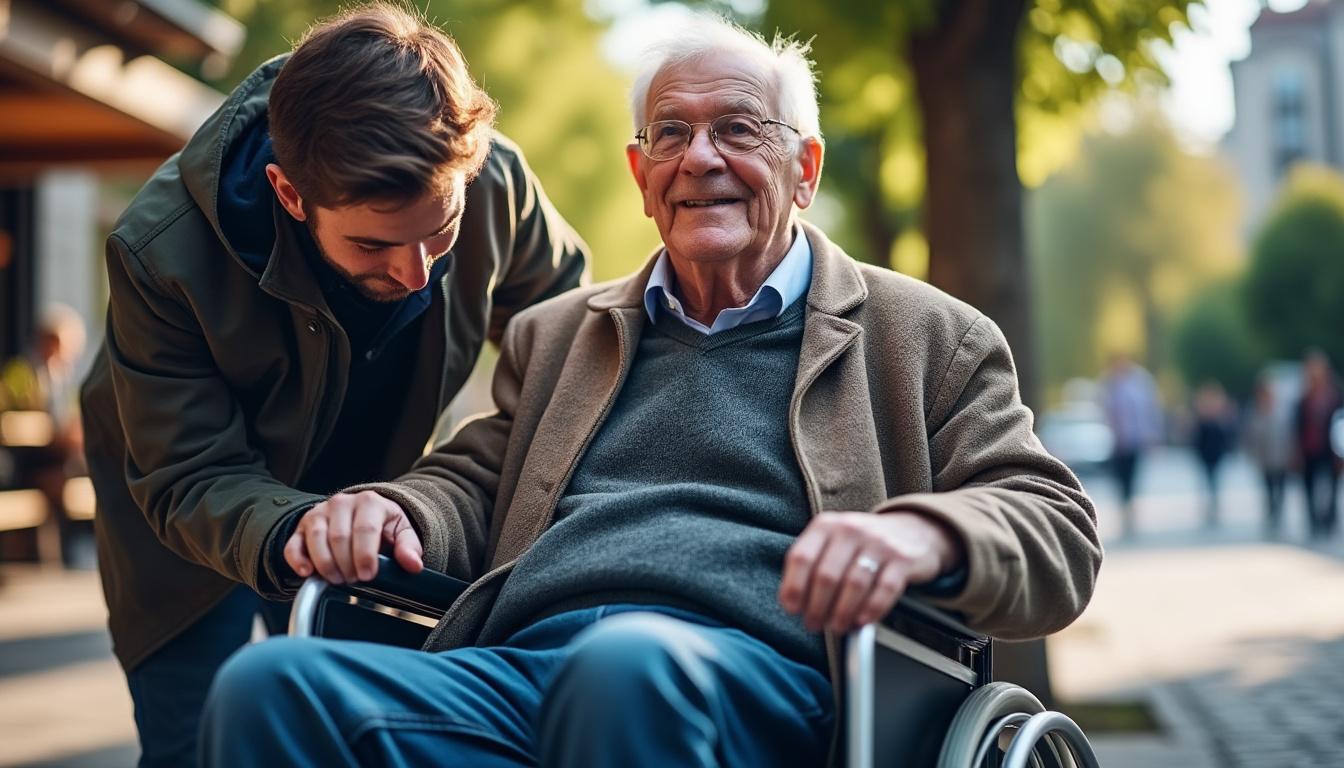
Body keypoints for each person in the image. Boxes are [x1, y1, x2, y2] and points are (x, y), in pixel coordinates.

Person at [201, 16, 1101, 767]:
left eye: (740, 129)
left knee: (624, 669)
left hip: (764, 687)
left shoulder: (926, 338)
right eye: (670, 133)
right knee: (266, 687)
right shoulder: (557, 335)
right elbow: (473, 483)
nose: (699, 157)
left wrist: (920, 531)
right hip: (519, 671)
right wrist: (390, 512)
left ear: (806, 170)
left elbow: (1055, 530)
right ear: (641, 178)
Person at [78, 4, 587, 765]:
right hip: (186, 527)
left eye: (440, 230)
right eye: (375, 243)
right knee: (203, 740)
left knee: (365, 732)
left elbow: (576, 352)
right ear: (289, 195)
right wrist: (298, 527)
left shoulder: (496, 181)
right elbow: (188, 474)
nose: (419, 272)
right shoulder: (159, 252)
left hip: (376, 516)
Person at [1101, 354, 1163, 537]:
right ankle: (1124, 507)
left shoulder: (1140, 383)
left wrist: (1153, 435)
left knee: (1132, 475)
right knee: (1120, 476)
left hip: (1135, 439)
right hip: (1118, 441)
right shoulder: (1109, 384)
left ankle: (1130, 508)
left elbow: (1150, 410)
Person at [1295, 350, 1343, 540]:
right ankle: (1313, 520)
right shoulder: (1303, 400)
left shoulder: (1335, 397)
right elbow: (1297, 428)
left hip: (1330, 449)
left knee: (1332, 485)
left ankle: (1330, 519)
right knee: (1308, 485)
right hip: (1309, 449)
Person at [1244, 375, 1293, 535]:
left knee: (1280, 486)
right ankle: (1271, 512)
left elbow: (1289, 434)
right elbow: (1250, 436)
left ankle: (1278, 511)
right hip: (1264, 459)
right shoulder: (1255, 413)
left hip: (1281, 457)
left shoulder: (1282, 411)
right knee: (1268, 487)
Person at [1191, 381, 1235, 528]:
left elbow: (1224, 436)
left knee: (1214, 480)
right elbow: (1197, 438)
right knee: (1208, 479)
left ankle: (1214, 503)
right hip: (1205, 454)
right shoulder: (1203, 417)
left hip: (1216, 453)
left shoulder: (1219, 416)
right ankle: (1210, 504)